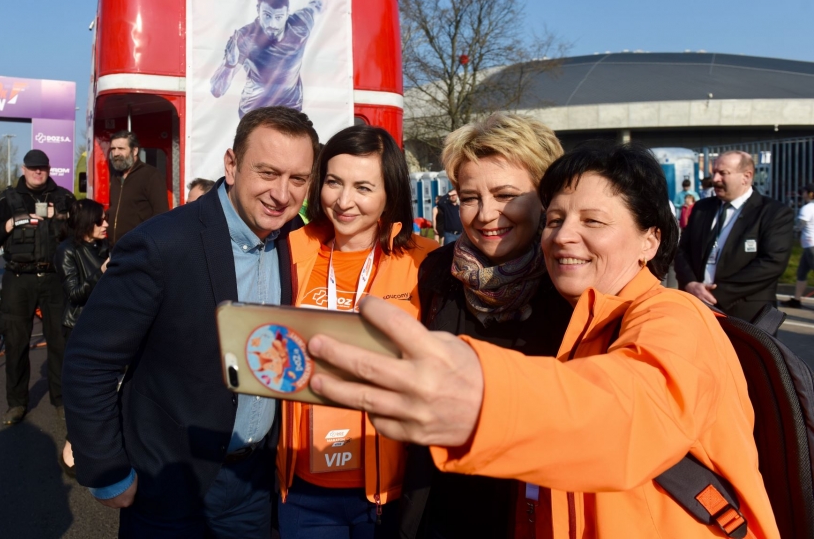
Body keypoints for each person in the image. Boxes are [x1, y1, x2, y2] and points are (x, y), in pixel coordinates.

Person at [304, 143, 779, 538]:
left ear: (649, 241)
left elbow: (627, 414)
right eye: (555, 220)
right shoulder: (583, 322)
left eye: (593, 221)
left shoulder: (675, 316)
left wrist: (484, 396)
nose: (564, 236)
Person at [62, 106, 319, 537]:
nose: (281, 193)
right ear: (232, 165)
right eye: (268, 173)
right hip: (169, 484)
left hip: (254, 485)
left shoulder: (295, 242)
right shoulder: (161, 244)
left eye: (298, 179)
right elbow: (90, 360)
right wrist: (106, 469)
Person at [400, 113, 573, 538]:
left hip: (535, 513)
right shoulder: (436, 273)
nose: (486, 214)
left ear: (545, 196)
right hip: (442, 508)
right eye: (470, 197)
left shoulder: (571, 285)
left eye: (506, 195)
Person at [277, 126, 438, 538]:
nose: (344, 201)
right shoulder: (290, 250)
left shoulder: (426, 262)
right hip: (304, 487)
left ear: (390, 194)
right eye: (334, 182)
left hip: (389, 489)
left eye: (363, 187)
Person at [0, 149, 75, 426]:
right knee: (16, 342)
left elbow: (80, 234)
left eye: (42, 167)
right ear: (24, 170)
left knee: (60, 342)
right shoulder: (8, 200)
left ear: (49, 169)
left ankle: (61, 400)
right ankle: (17, 403)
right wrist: (9, 224)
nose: (38, 172)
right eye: (33, 168)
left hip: (55, 278)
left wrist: (62, 217)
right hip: (18, 278)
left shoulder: (64, 198)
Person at [675, 150, 793, 321]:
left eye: (723, 173)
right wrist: (690, 284)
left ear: (746, 176)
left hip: (745, 315)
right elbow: (682, 251)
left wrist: (716, 294)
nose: (715, 179)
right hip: (697, 308)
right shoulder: (702, 208)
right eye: (714, 172)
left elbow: (772, 262)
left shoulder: (773, 213)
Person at [54, 199, 110, 477]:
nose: (106, 224)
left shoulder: (105, 247)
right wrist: (101, 273)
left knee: (108, 390)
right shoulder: (66, 250)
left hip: (107, 325)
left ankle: (101, 447)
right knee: (84, 392)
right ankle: (71, 449)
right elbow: (74, 294)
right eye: (100, 220)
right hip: (79, 327)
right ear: (87, 222)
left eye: (106, 219)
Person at [210, 0, 326, 117]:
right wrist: (229, 64)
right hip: (254, 112)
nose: (272, 24)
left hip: (290, 110)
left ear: (287, 13)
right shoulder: (245, 38)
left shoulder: (301, 25)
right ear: (258, 10)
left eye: (279, 17)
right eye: (267, 15)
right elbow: (217, 91)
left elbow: (315, 6)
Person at [108, 130, 170, 246]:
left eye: (121, 148)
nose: (115, 153)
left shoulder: (151, 175)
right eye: (113, 149)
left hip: (138, 247)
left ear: (135, 150)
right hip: (115, 248)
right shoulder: (115, 177)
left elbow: (161, 215)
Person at [786, 182, 814, 309]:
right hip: (808, 245)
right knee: (801, 273)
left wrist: (790, 229)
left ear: (810, 194)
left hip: (811, 245)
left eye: (804, 192)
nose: (802, 194)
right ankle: (796, 300)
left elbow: (800, 225)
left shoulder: (807, 208)